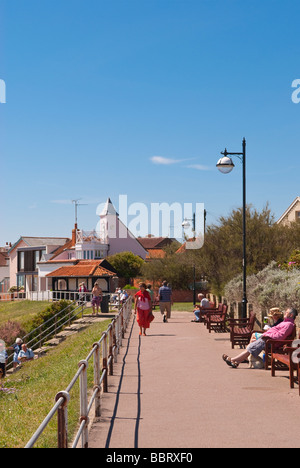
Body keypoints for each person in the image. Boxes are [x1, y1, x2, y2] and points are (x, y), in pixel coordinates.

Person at [222, 307, 298, 368]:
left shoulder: (288, 325)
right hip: (268, 339)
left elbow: (280, 336)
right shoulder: (285, 323)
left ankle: (234, 360)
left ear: (291, 315)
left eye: (286, 312)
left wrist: (266, 336)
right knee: (252, 345)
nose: (285, 313)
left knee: (252, 346)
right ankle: (237, 361)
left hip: (271, 342)